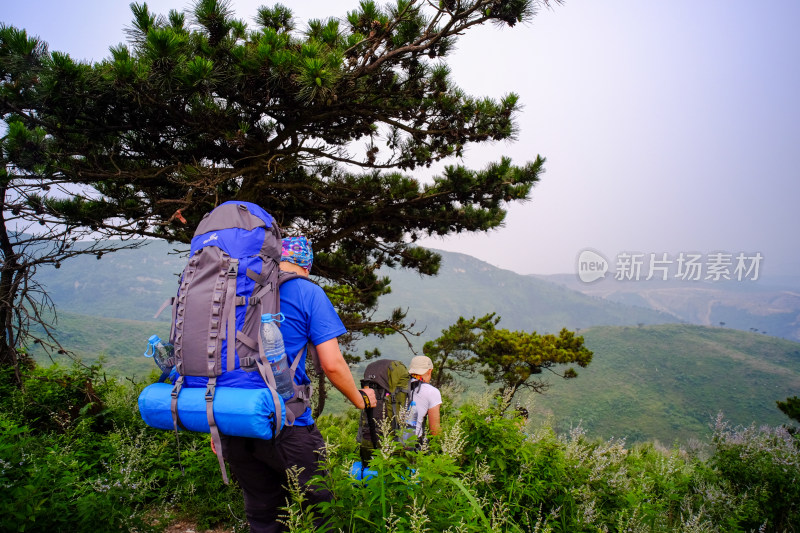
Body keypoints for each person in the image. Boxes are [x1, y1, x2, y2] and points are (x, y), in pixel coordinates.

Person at [219, 236, 376, 533]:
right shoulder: (307, 291)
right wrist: (359, 398)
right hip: (286, 423)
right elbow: (331, 363)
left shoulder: (237, 289)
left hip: (234, 418)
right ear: (306, 266)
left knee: (264, 516)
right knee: (323, 511)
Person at [406, 355, 442, 439]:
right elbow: (435, 431)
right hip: (413, 446)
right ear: (429, 371)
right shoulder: (431, 391)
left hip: (390, 442)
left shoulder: (399, 387)